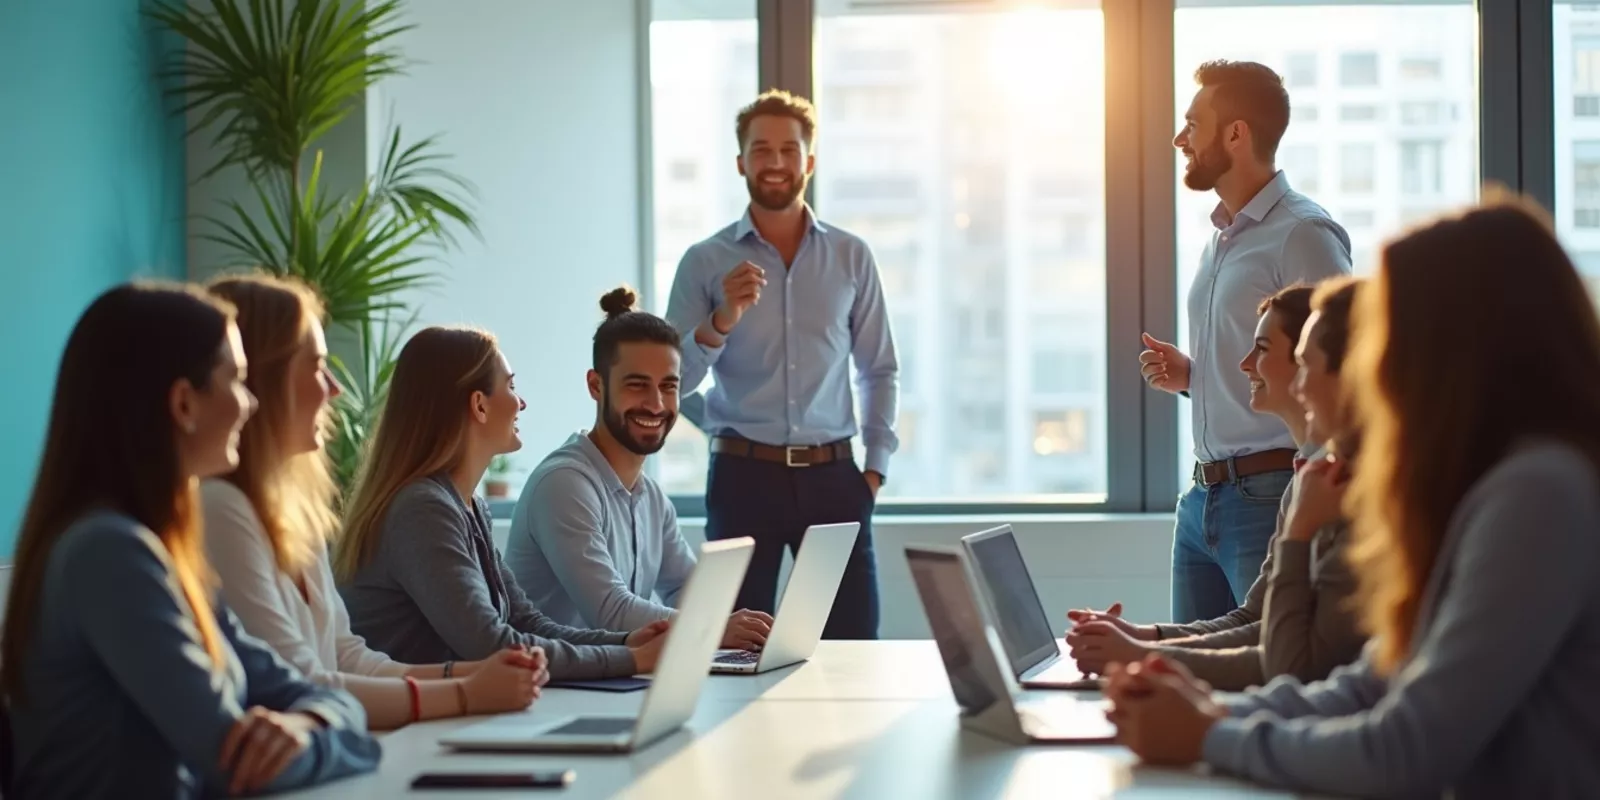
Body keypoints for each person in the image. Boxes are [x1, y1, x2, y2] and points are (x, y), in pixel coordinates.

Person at [1105, 196, 1600, 799]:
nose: (1372, 368)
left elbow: (1405, 748)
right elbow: (1369, 687)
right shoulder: (1480, 487)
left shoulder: (1539, 495)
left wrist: (1209, 735)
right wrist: (1203, 711)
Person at [1, 283, 379, 799]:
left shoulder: (166, 555)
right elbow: (232, 758)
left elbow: (313, 693)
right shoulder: (110, 554)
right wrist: (330, 738)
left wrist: (307, 722)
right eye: (238, 381)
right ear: (184, 403)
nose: (250, 404)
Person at [202, 274, 548, 731]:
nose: (333, 389)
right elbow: (300, 685)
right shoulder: (219, 508)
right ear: (265, 379)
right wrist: (464, 692)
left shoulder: (294, 514)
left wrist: (469, 677)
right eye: (316, 367)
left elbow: (347, 655)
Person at [665, 90, 897, 640]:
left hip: (836, 480)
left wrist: (874, 472)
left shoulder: (851, 256)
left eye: (788, 150)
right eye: (760, 149)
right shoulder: (704, 261)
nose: (775, 162)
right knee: (735, 649)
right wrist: (721, 319)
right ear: (740, 161)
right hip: (744, 478)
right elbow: (672, 384)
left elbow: (878, 369)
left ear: (808, 162)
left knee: (854, 647)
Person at [1069, 282, 1365, 690]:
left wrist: (1141, 656)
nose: (1243, 365)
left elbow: (1294, 663)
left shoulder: (1347, 490)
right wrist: (1141, 640)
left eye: (1262, 349)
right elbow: (1255, 621)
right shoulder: (1307, 480)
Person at [335, 325, 671, 681]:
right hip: (415, 728)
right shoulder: (423, 509)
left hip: (456, 712)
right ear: (479, 405)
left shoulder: (468, 507)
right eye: (511, 387)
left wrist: (627, 642)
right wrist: (631, 660)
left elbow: (525, 621)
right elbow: (490, 644)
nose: (521, 402)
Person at [1141, 60, 1352, 623]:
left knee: (1264, 665)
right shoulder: (1221, 239)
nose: (1179, 139)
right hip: (1200, 500)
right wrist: (1195, 379)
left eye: (1192, 124)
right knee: (1187, 675)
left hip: (1270, 493)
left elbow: (1336, 367)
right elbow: (1270, 362)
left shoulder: (1303, 234)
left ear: (1236, 133)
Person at [506, 287, 773, 649]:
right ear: (596, 385)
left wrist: (743, 630)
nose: (656, 404)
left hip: (618, 678)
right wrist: (712, 629)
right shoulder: (564, 484)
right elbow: (611, 612)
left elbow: (683, 588)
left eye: (668, 386)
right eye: (637, 385)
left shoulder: (650, 496)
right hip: (553, 688)